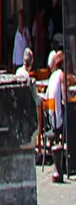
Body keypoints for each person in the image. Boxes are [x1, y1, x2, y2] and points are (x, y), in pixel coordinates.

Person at [45, 50, 69, 182]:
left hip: (51, 120)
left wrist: (51, 114)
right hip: (59, 122)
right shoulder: (61, 76)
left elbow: (48, 98)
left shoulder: (52, 76)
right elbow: (66, 99)